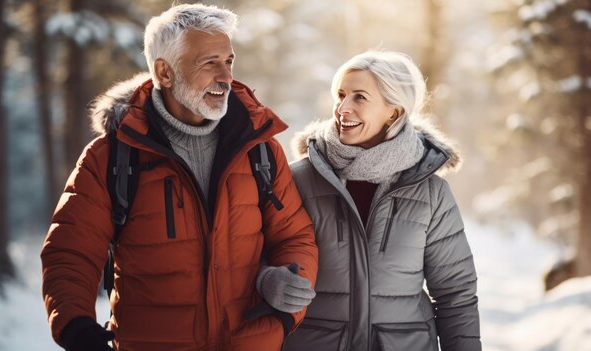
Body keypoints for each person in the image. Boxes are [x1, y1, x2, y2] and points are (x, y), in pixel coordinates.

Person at [41, 4, 318, 351]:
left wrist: (286, 302)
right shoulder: (111, 157)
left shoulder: (260, 150)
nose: (226, 76)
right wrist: (75, 325)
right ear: (165, 72)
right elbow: (70, 251)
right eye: (209, 63)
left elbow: (295, 235)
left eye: (229, 61)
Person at [284, 50, 481, 351]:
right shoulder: (299, 180)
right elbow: (257, 265)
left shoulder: (430, 193)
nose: (342, 108)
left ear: (394, 112)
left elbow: (456, 294)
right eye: (341, 95)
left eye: (359, 97)